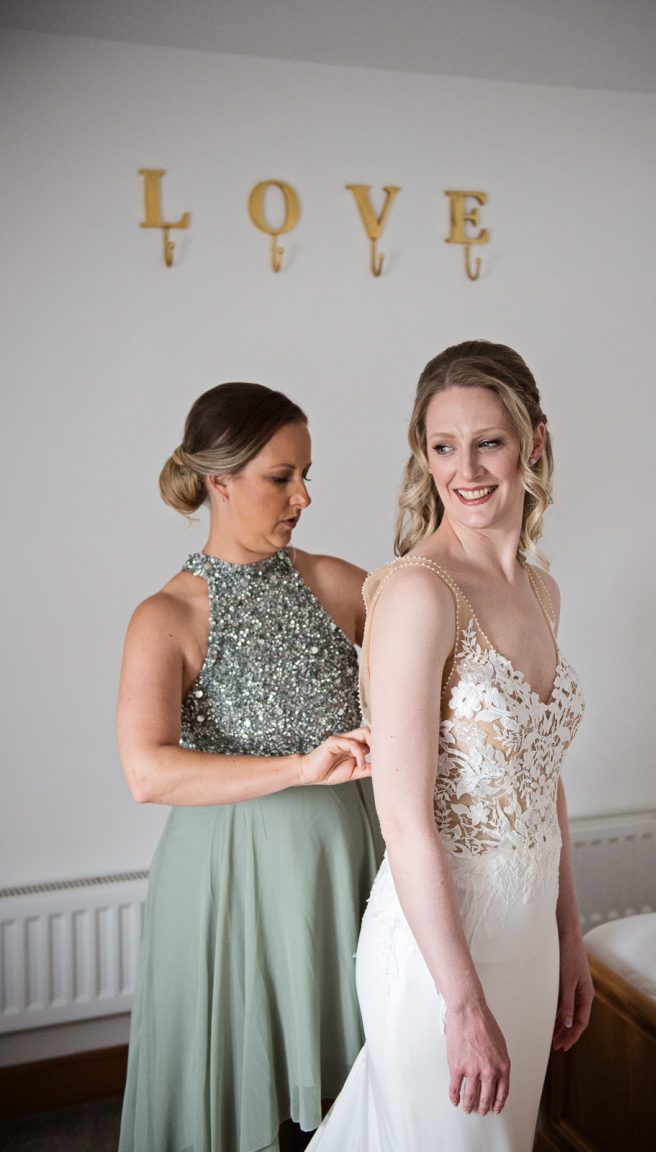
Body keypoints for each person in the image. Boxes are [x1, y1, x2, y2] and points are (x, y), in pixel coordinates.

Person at [309, 340, 593, 1152]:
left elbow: (543, 780)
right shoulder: (415, 594)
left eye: (488, 442)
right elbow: (402, 819)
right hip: (439, 955)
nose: (465, 469)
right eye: (442, 447)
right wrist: (462, 1003)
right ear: (423, 455)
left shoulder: (541, 589)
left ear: (533, 442)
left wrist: (570, 934)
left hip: (529, 941)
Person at [117, 382, 384, 1152]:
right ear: (219, 479)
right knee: (245, 1106)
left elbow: (434, 647)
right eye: (281, 477)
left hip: (349, 865)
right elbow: (148, 772)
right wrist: (300, 767)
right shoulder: (167, 616)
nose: (303, 495)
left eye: (307, 474)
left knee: (359, 1099)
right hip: (228, 884)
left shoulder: (334, 581)